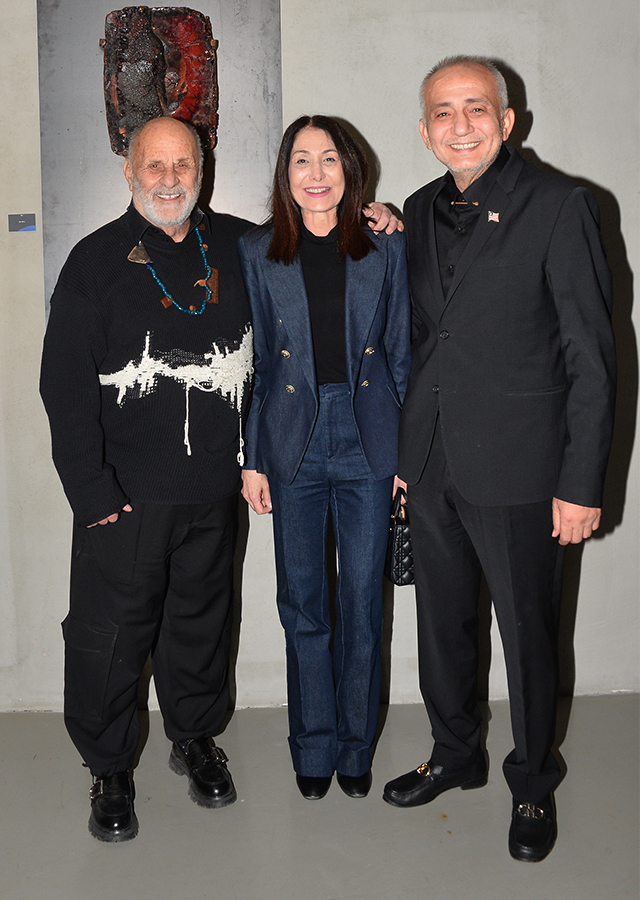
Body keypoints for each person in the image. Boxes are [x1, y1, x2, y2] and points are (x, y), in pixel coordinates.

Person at [40, 114, 398, 842]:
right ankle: (109, 768)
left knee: (202, 628)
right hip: (126, 498)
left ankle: (194, 738)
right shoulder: (93, 262)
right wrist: (93, 493)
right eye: (155, 165)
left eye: (184, 164)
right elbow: (63, 386)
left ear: (201, 171)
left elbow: (311, 234)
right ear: (129, 171)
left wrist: (377, 213)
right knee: (111, 638)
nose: (170, 179)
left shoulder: (239, 245)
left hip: (213, 490)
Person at [382, 57, 616, 862]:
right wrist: (409, 453)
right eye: (443, 112)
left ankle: (533, 783)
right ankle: (455, 754)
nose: (460, 125)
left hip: (523, 468)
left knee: (527, 636)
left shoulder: (559, 205)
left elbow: (592, 357)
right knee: (441, 626)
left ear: (506, 120)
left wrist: (580, 482)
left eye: (476, 108)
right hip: (433, 462)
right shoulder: (418, 208)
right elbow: (427, 338)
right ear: (424, 131)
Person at [240, 115, 411, 801]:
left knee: (363, 604)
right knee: (303, 604)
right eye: (302, 160)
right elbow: (257, 363)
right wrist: (254, 457)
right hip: (294, 440)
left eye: (330, 159)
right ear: (286, 175)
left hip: (368, 437)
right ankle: (312, 747)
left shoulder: (384, 244)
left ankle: (354, 747)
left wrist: (404, 456)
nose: (316, 173)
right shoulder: (258, 251)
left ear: (350, 170)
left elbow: (401, 351)